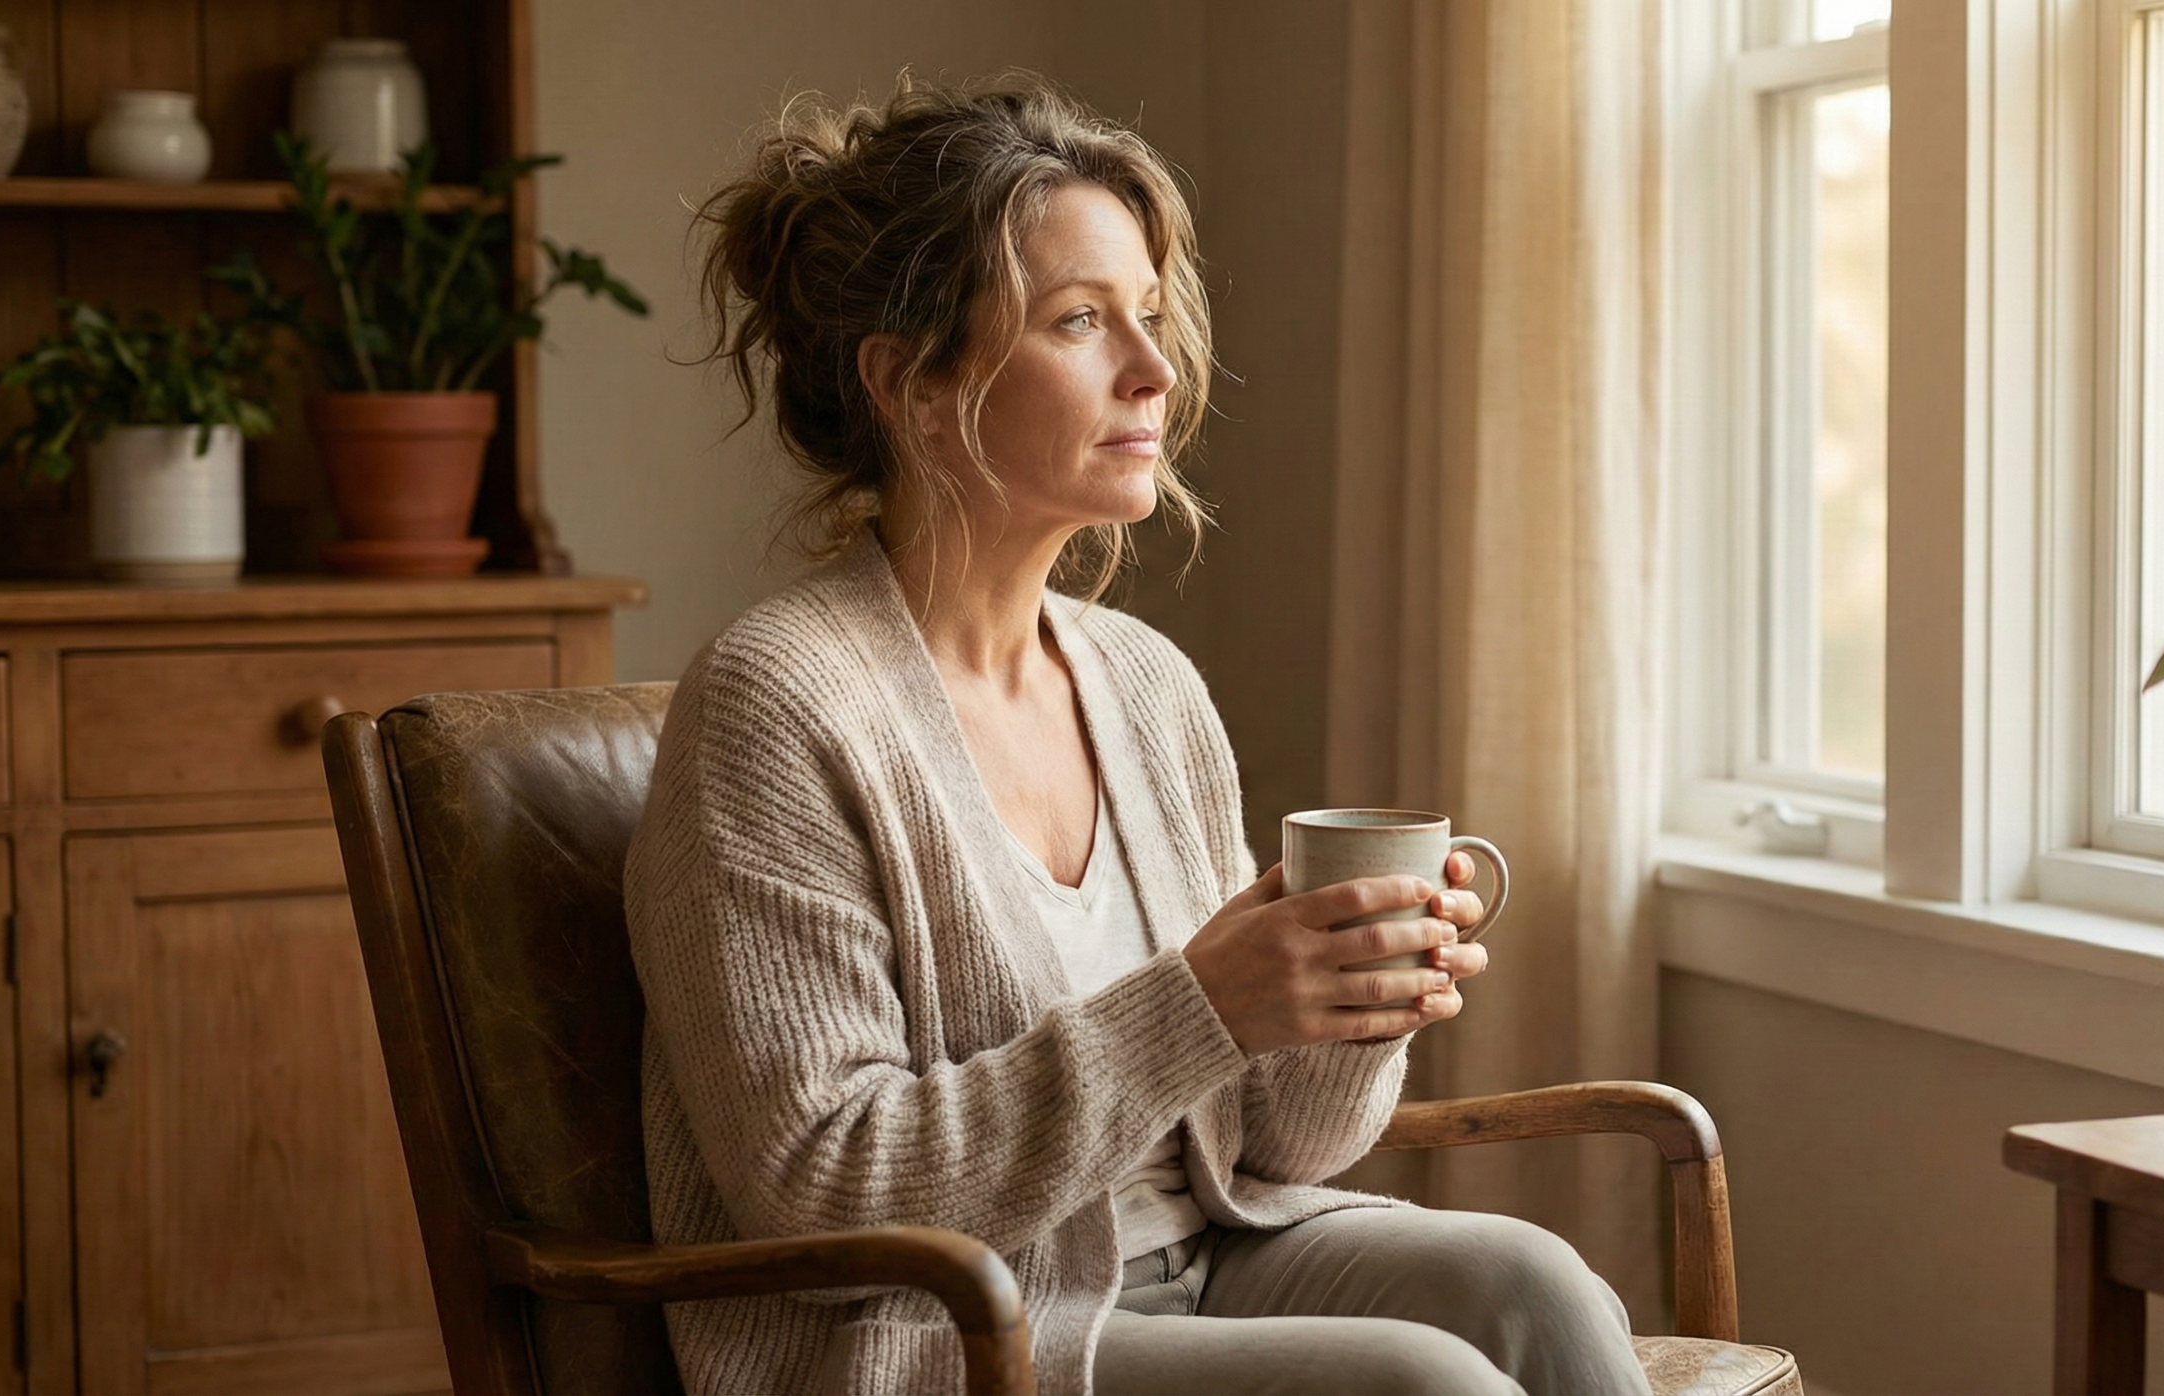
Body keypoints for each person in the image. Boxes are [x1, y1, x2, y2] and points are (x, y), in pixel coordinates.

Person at [625, 73, 1651, 1396]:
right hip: (951, 1333)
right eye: (1080, 320)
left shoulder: (1145, 683)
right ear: (911, 385)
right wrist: (1203, 1003)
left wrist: (1348, 1009)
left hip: (1215, 1254)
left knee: (1536, 1284)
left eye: (1150, 316)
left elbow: (1279, 1153)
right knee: (1424, 1386)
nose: (1154, 370)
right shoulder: (777, 701)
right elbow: (817, 1189)